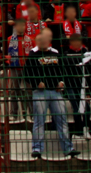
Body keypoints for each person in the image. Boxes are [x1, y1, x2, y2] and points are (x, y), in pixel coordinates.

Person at [23, 28, 78, 159]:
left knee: (62, 120)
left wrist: (62, 82)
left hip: (55, 91)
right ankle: (37, 149)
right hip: (40, 92)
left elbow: (65, 70)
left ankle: (68, 148)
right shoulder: (33, 54)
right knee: (39, 121)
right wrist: (36, 83)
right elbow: (27, 74)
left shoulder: (56, 53)